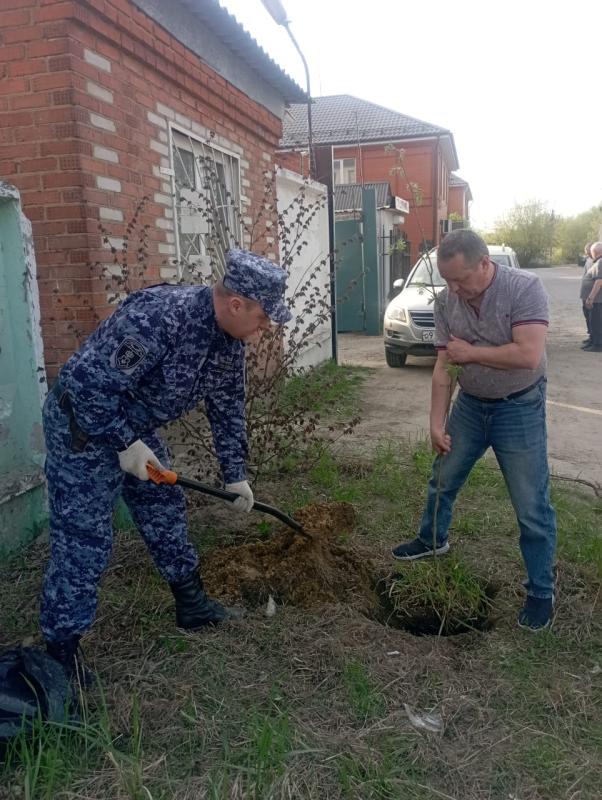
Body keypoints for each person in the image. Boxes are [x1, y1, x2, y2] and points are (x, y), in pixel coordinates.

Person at [41, 249, 292, 680]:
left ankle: (192, 604)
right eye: (264, 316)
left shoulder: (229, 342)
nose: (267, 326)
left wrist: (235, 474)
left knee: (164, 506)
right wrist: (125, 444)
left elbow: (228, 408)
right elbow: (87, 388)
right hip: (81, 427)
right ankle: (59, 655)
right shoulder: (159, 318)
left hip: (134, 427)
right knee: (85, 539)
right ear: (236, 304)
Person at [392, 229, 557, 631]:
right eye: (447, 280)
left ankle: (540, 591)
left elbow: (528, 355)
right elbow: (443, 366)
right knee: (443, 477)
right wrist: (436, 423)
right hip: (470, 405)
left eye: (460, 279)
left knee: (530, 504)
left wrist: (472, 353)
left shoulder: (524, 288)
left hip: (518, 406)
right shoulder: (447, 301)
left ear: (484, 264)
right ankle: (432, 540)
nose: (453, 289)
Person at [583, 241, 602, 352]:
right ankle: (594, 342)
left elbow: (599, 281)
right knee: (593, 322)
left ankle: (598, 345)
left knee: (596, 322)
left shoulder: (600, 262)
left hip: (597, 300)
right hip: (596, 299)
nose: (589, 253)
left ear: (595, 252)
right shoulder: (598, 261)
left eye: (591, 251)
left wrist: (591, 297)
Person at [579, 242, 594, 347]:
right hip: (585, 294)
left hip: (592, 295)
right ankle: (591, 336)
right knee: (587, 316)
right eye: (586, 251)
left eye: (588, 251)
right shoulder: (589, 260)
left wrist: (591, 296)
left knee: (593, 317)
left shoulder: (597, 261)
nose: (587, 253)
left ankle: (595, 338)